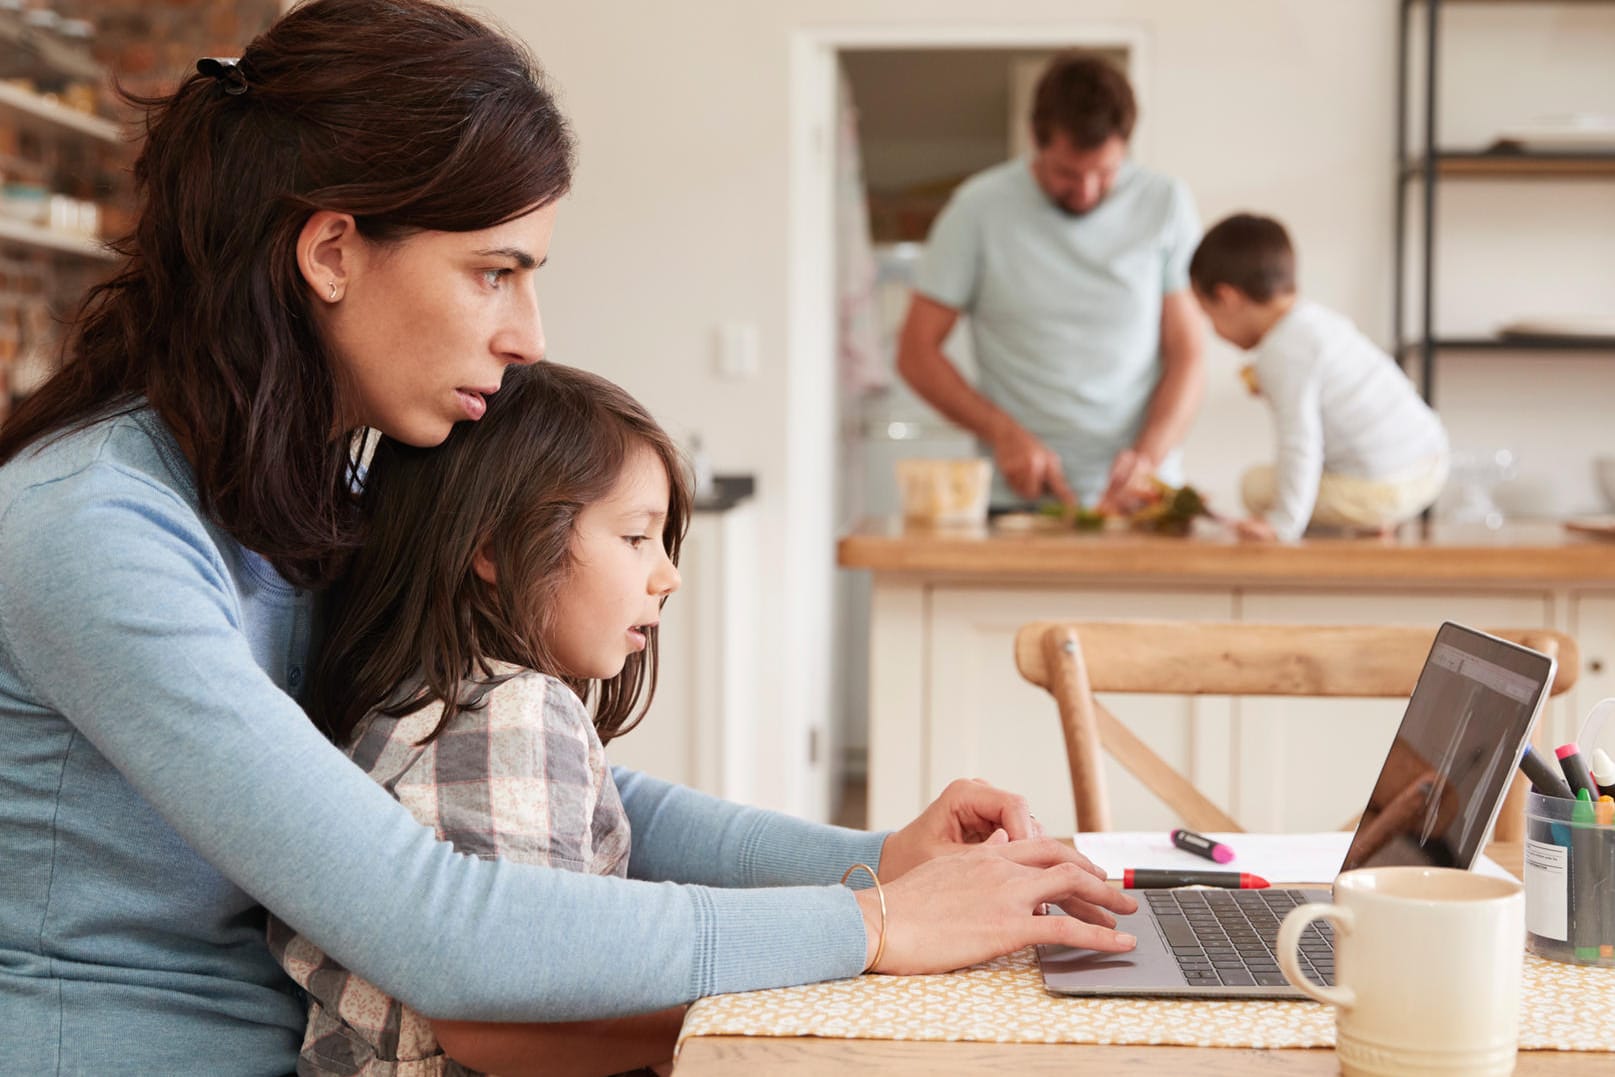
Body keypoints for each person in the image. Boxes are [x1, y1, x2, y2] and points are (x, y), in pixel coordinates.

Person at [0, 2, 1136, 1072]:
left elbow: (552, 790)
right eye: (494, 272)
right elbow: (430, 920)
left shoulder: (303, 484)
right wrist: (872, 922)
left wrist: (878, 859)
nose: (527, 336)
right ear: (332, 252)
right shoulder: (100, 531)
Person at [270, 361, 693, 1075]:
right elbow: (509, 1015)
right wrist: (716, 1015)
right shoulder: (512, 711)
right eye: (633, 537)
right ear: (494, 546)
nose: (667, 574)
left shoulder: (419, 698)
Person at [896, 50, 1206, 511]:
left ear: (1125, 146)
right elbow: (916, 353)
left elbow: (1189, 351)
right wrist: (1001, 432)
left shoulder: (1165, 203)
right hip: (1017, 500)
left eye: (1104, 173)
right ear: (1035, 141)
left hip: (1140, 500)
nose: (1085, 191)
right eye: (1066, 173)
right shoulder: (977, 210)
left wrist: (1149, 455)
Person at [1188, 213, 1449, 542]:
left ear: (1227, 298)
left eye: (1208, 314)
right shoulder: (1316, 323)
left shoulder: (1281, 352)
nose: (1214, 330)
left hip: (1384, 488)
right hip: (1429, 466)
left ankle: (1363, 518)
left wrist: (1282, 522)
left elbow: (1299, 443)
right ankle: (1372, 519)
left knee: (1255, 486)